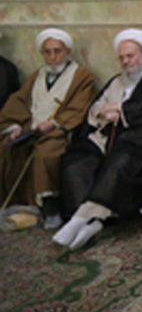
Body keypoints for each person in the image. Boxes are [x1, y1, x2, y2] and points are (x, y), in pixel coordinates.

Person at [52, 28, 142, 250]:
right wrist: (105, 111)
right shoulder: (116, 81)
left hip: (137, 141)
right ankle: (93, 222)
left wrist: (121, 110)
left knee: (119, 163)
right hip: (103, 138)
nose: (126, 62)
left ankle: (80, 219)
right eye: (122, 57)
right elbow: (96, 107)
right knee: (75, 163)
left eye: (130, 56)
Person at [0, 29, 96, 229]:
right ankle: (20, 204)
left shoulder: (81, 75)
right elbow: (19, 101)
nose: (53, 57)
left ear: (67, 51)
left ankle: (50, 209)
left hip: (60, 131)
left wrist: (53, 124)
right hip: (31, 128)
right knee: (7, 146)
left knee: (46, 152)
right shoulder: (38, 74)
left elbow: (79, 107)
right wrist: (15, 126)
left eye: (57, 51)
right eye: (48, 52)